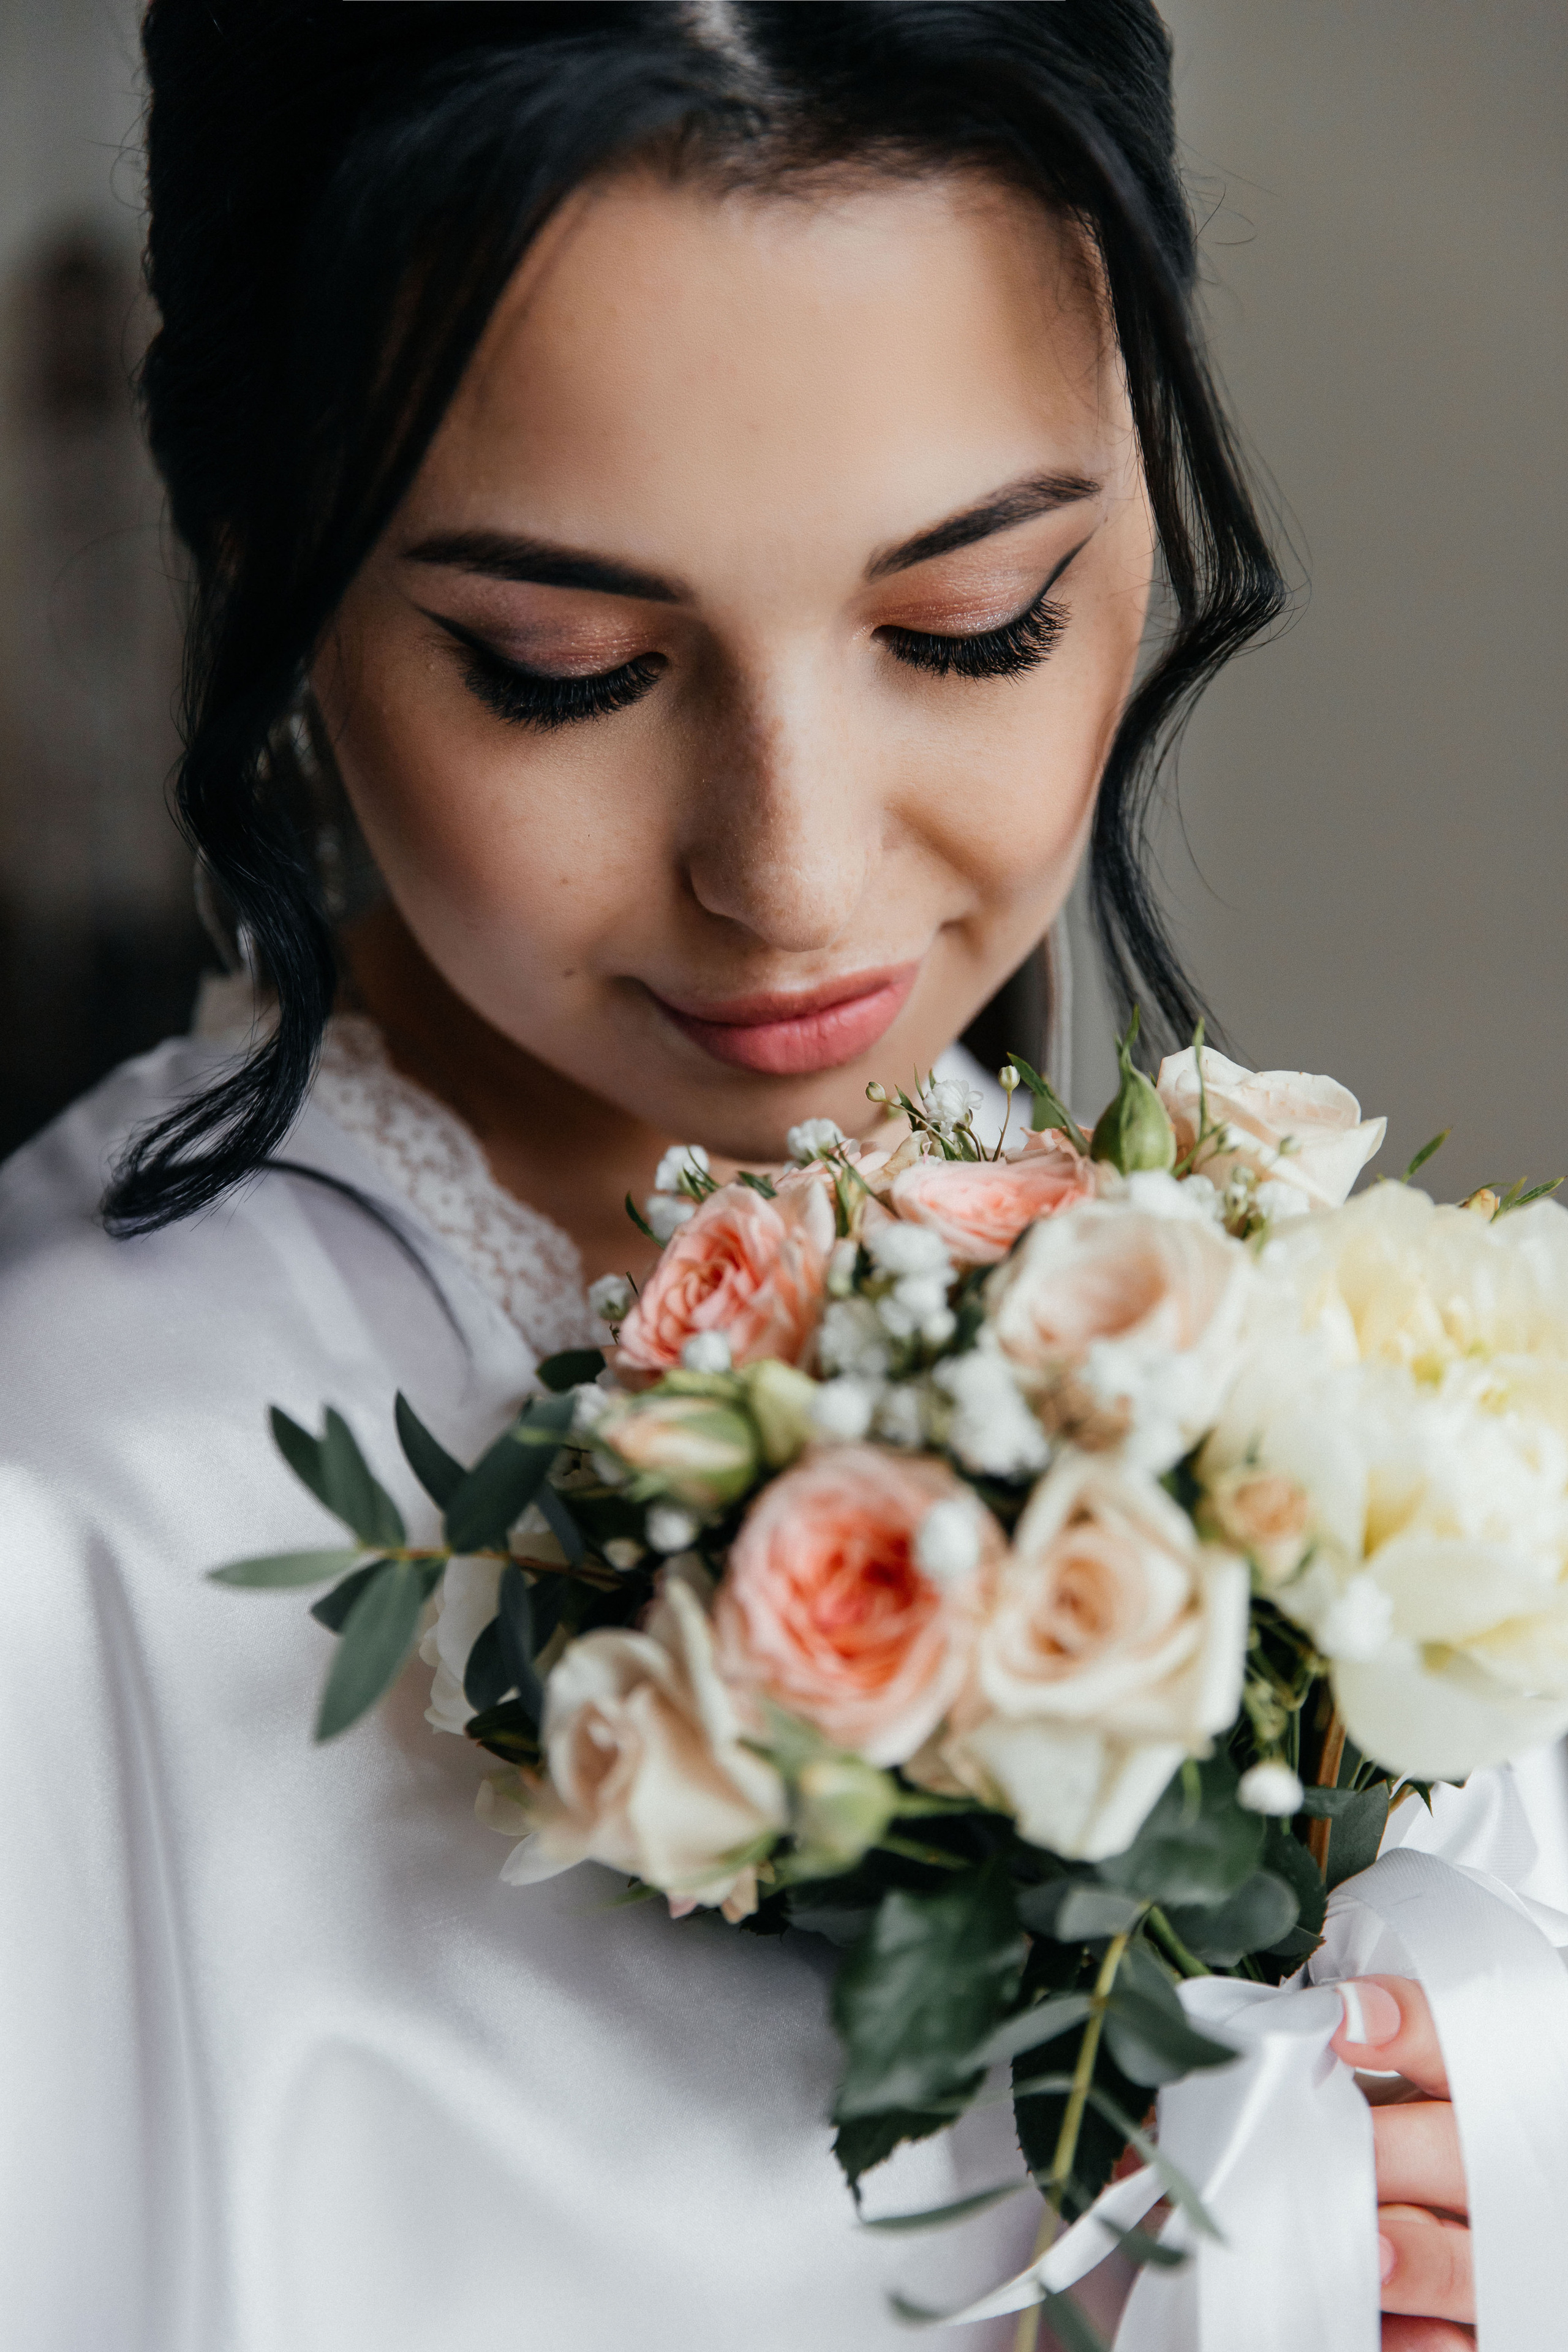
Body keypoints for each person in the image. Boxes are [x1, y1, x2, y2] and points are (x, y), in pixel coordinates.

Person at [0, 6, 1538, 2345]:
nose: (799, 882)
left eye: (971, 624)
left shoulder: (1326, 1367)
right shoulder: (71, 1517)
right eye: (563, 668)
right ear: (267, 558)